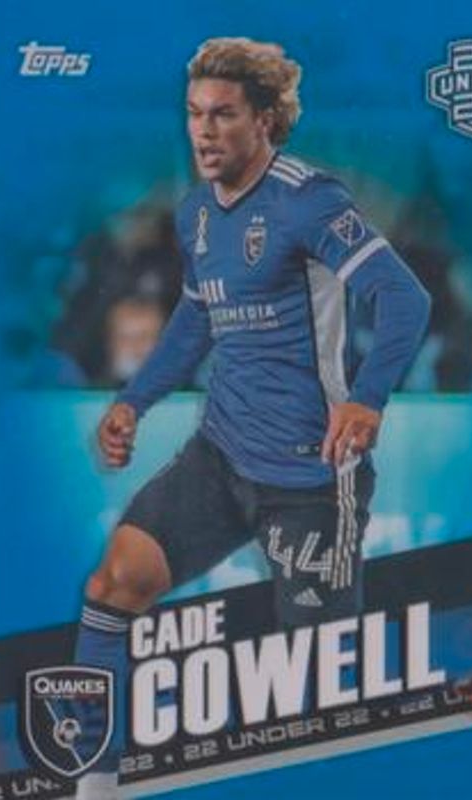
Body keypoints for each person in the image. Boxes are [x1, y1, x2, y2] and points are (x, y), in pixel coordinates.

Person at [75, 37, 431, 799]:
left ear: (265, 119)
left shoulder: (309, 200)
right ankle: (93, 787)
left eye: (223, 114)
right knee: (113, 582)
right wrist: (134, 400)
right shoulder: (196, 214)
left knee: (314, 693)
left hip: (310, 476)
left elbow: (403, 297)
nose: (203, 131)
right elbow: (195, 321)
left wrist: (367, 398)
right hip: (220, 455)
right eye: (194, 114)